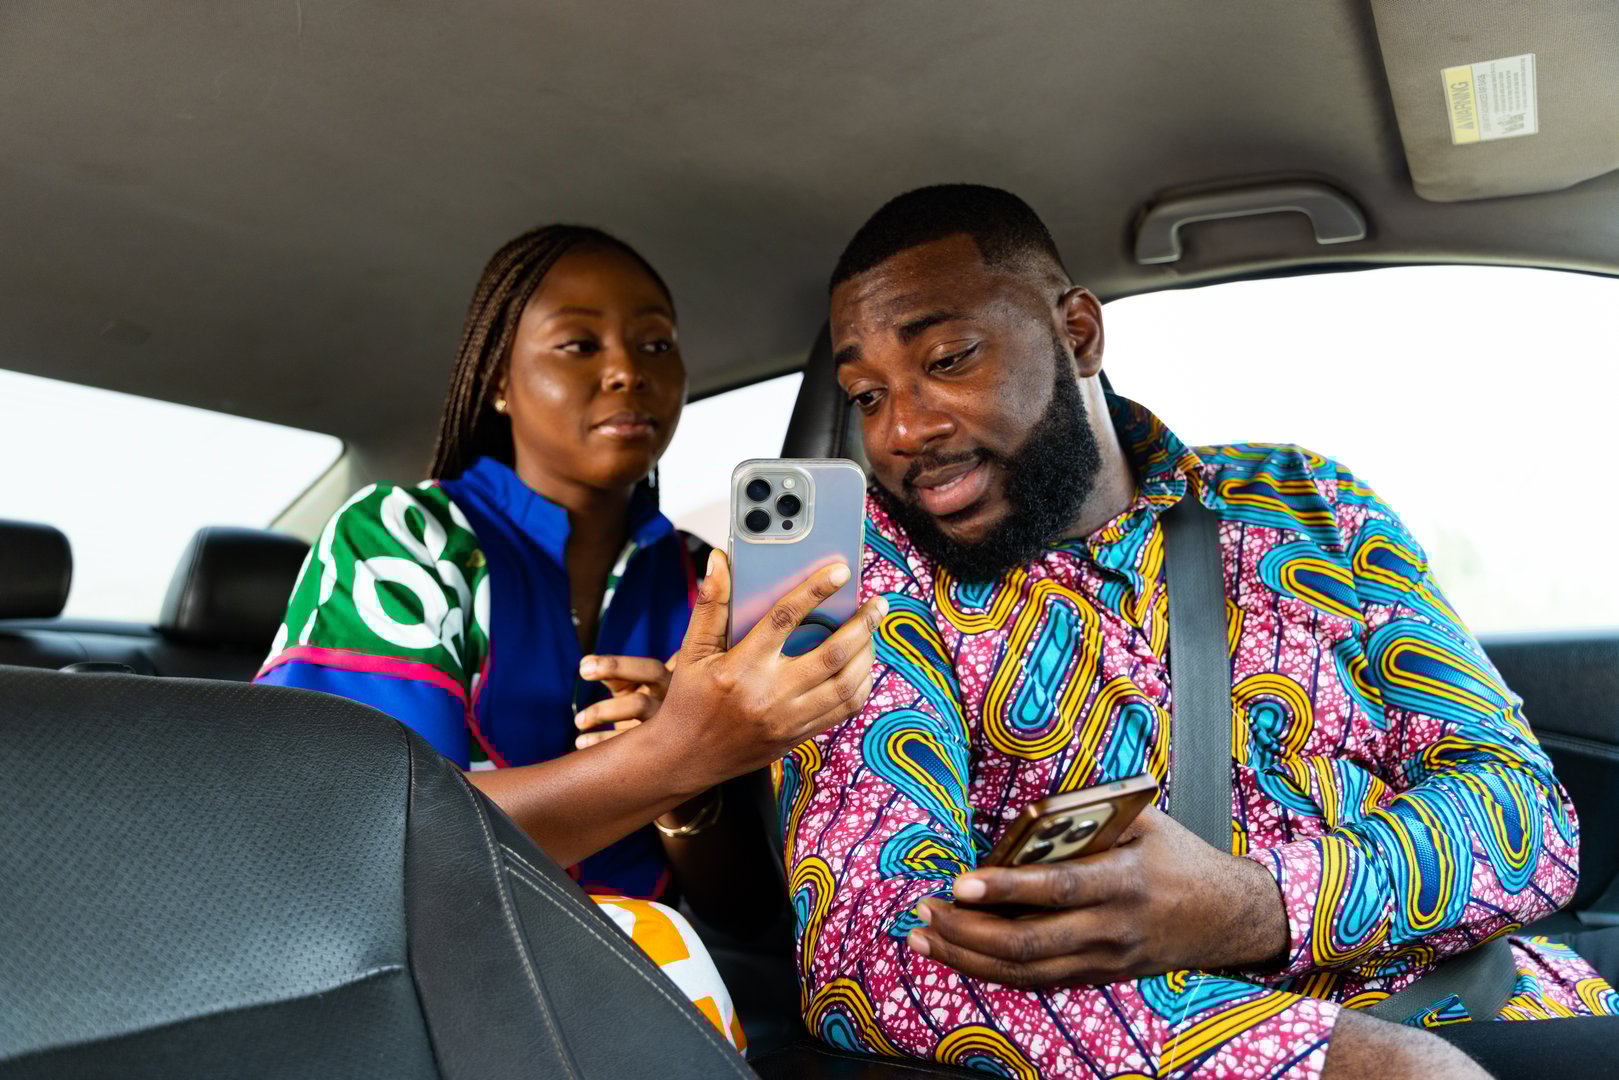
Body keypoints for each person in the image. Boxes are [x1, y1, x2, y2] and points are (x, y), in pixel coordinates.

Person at [782, 185, 1619, 1078]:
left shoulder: (1304, 500)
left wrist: (1259, 907)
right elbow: (870, 952)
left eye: (947, 358)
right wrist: (1336, 1060)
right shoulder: (873, 587)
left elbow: (1525, 816)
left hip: (1521, 1011)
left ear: (1078, 334)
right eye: (866, 396)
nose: (904, 428)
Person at [257, 224, 883, 1051]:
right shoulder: (405, 538)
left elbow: (743, 910)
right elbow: (364, 840)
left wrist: (692, 797)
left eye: (655, 342)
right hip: (411, 975)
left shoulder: (707, 581)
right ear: (500, 384)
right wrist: (672, 754)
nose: (627, 369)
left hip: (640, 972)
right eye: (578, 344)